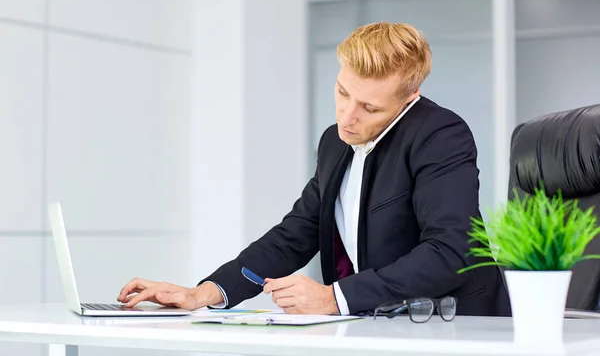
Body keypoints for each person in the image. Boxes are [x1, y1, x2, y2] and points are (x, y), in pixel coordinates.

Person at [118, 22, 511, 317]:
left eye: (370, 108)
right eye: (342, 93)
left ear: (410, 97)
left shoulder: (439, 134)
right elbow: (295, 236)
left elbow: (451, 252)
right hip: (379, 324)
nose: (347, 117)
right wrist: (203, 293)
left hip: (456, 326)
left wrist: (332, 297)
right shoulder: (334, 142)